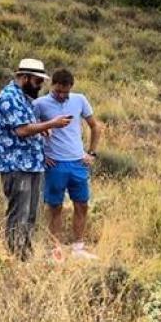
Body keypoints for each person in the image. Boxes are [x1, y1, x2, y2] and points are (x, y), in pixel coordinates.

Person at [0, 58, 70, 259]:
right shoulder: (9, 97)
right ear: (25, 77)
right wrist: (50, 124)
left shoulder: (24, 97)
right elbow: (21, 129)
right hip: (16, 164)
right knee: (19, 212)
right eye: (37, 81)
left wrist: (41, 129)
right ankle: (16, 256)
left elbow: (29, 125)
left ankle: (25, 254)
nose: (40, 86)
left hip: (32, 164)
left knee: (30, 214)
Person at [34, 68, 102, 260]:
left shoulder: (79, 100)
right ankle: (55, 250)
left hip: (78, 162)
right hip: (55, 164)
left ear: (71, 88)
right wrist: (41, 154)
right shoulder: (40, 104)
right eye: (58, 91)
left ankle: (78, 248)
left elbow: (95, 126)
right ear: (51, 85)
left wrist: (92, 153)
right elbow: (28, 129)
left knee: (82, 204)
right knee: (55, 207)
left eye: (66, 92)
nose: (62, 95)